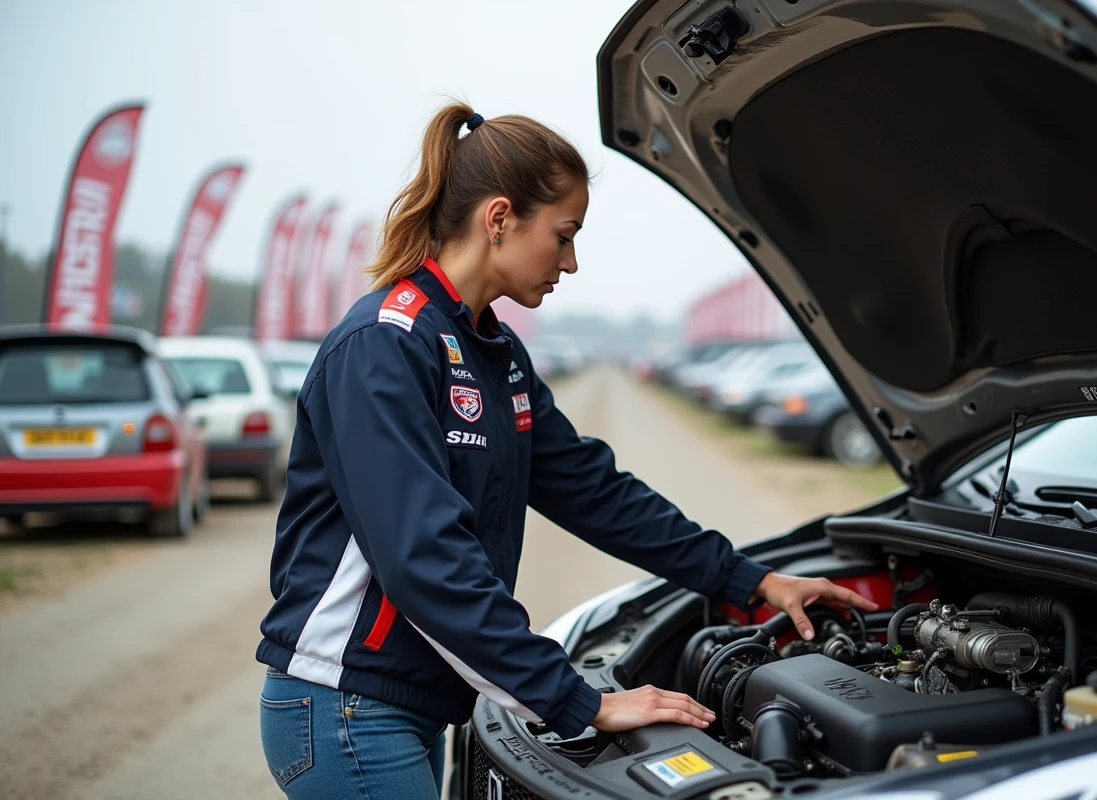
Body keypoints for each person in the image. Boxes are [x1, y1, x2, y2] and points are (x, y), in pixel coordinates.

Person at [256, 102, 878, 800]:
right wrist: (580, 702)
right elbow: (424, 558)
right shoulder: (383, 345)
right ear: (499, 220)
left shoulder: (494, 350)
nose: (572, 262)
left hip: (405, 705)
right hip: (346, 707)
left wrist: (750, 581)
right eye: (564, 235)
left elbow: (593, 490)